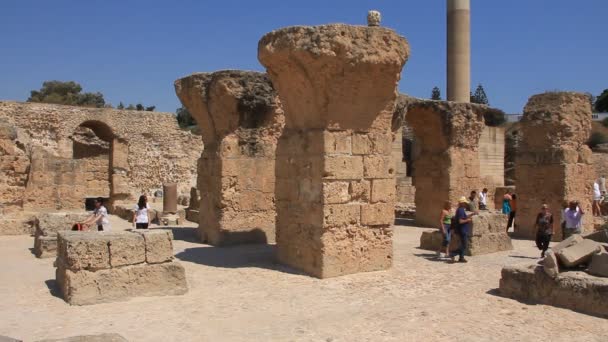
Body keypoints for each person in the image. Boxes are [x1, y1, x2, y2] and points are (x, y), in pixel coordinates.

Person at [450, 197, 476, 263]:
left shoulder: (460, 209)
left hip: (462, 229)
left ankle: (461, 257)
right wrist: (468, 220)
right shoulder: (461, 210)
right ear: (462, 203)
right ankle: (453, 253)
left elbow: (463, 217)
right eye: (464, 203)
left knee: (462, 244)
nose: (465, 204)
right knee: (464, 245)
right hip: (462, 230)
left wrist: (471, 214)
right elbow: (461, 221)